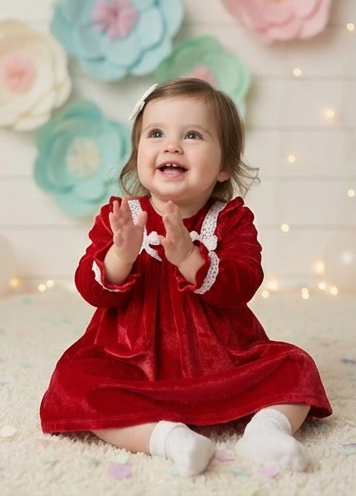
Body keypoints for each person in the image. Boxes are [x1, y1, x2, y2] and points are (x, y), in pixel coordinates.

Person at [40, 78, 332, 477]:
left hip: (222, 363)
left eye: (192, 135)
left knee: (296, 366)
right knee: (73, 382)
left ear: (224, 165)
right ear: (137, 156)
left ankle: (266, 430)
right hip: (133, 363)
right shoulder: (122, 217)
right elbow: (92, 289)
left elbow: (244, 282)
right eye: (156, 134)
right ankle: (169, 438)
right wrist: (121, 254)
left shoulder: (230, 220)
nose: (171, 146)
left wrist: (190, 258)